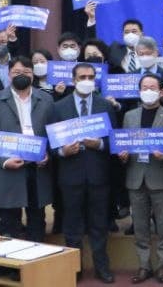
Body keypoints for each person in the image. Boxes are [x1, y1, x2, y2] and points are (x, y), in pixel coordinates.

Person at [50, 63, 116, 283]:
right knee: (72, 225)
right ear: (73, 80)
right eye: (82, 77)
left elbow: (114, 141)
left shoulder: (105, 106)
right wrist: (63, 151)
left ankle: (102, 267)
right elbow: (50, 143)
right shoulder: (58, 107)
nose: (87, 80)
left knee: (99, 224)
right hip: (71, 175)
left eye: (90, 77)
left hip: (98, 174)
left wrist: (99, 144)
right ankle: (74, 268)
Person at [0, 56, 54, 242]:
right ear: (9, 74)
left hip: (38, 168)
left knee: (37, 220)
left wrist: (48, 154)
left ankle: (37, 256)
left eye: (26, 72)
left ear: (33, 75)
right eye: (17, 72)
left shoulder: (46, 99)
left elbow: (53, 133)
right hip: (8, 169)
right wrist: (4, 161)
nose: (22, 75)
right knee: (9, 223)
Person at [118, 74, 163, 284]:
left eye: (153, 87)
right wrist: (122, 155)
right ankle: (144, 265)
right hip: (136, 176)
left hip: (160, 176)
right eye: (145, 87)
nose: (148, 91)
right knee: (140, 226)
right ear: (139, 91)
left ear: (161, 91)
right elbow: (123, 142)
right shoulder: (129, 116)